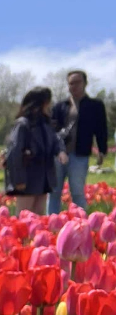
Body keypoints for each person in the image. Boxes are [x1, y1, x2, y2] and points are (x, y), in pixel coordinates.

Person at [48, 70, 109, 213]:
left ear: (85, 83)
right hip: (58, 155)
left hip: (80, 155)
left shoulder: (95, 105)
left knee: (77, 192)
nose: (73, 86)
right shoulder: (60, 106)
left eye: (77, 82)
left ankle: (81, 226)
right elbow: (52, 130)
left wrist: (102, 150)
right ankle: (51, 224)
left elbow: (101, 129)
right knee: (54, 192)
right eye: (71, 83)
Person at [4, 87, 66, 215]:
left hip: (43, 178)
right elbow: (14, 153)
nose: (50, 105)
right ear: (41, 103)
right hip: (27, 178)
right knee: (24, 215)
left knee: (39, 216)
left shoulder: (46, 124)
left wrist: (61, 151)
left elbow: (56, 140)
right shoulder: (23, 124)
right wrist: (19, 180)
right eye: (48, 102)